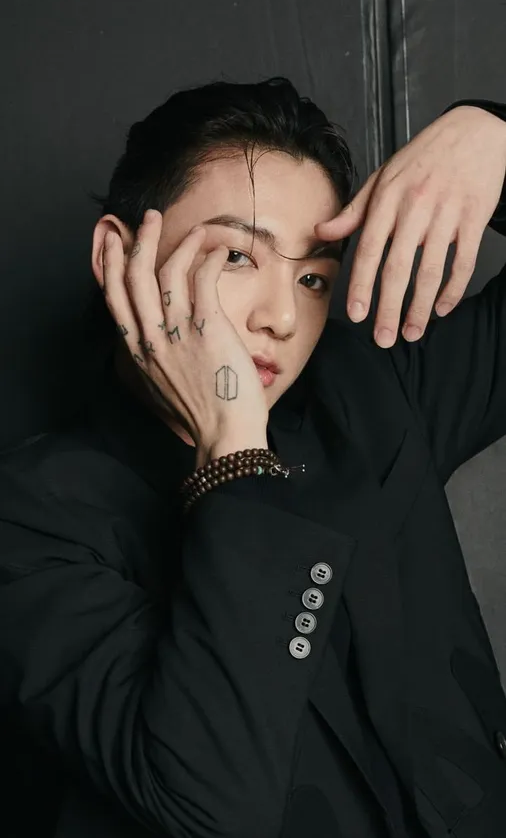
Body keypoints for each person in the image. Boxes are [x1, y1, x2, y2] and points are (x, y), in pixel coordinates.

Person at [1, 76, 506, 838]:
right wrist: (233, 449)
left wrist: (495, 136)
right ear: (118, 256)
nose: (281, 317)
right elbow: (210, 805)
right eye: (237, 255)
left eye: (312, 278)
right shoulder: (31, 521)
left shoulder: (371, 391)